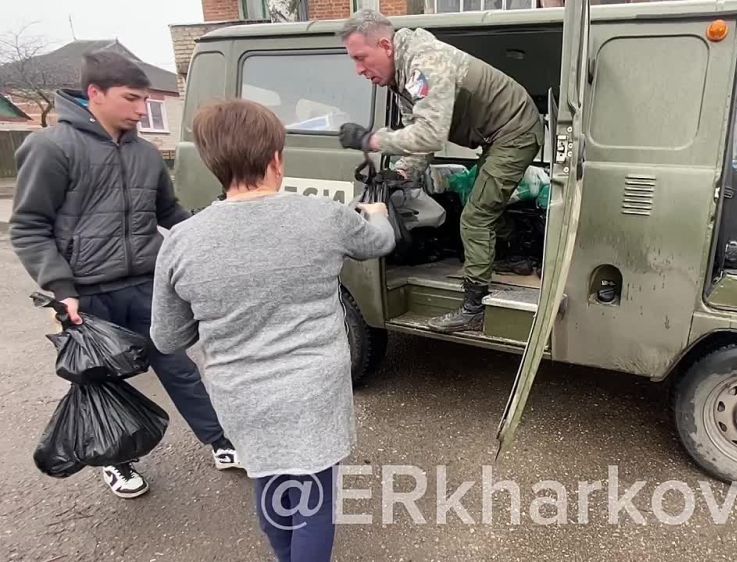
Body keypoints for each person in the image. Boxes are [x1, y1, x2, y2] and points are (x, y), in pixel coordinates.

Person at [149, 99, 395, 562]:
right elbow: (380, 242)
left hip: (241, 395)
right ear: (277, 158)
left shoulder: (182, 241)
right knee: (313, 501)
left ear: (214, 163)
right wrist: (378, 212)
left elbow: (168, 338)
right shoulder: (324, 216)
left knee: (269, 479)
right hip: (313, 390)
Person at [9, 51, 241, 499]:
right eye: (132, 99)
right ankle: (116, 460)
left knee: (178, 366)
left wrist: (210, 237)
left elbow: (168, 212)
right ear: (95, 94)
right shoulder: (51, 148)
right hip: (86, 293)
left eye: (145, 100)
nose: (141, 109)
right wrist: (60, 287)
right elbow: (29, 226)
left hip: (145, 285)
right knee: (101, 382)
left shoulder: (146, 154)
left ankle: (220, 440)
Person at [338, 8, 545, 334]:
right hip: (499, 135)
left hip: (515, 132)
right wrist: (403, 174)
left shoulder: (424, 61)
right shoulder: (403, 76)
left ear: (385, 46)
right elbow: (418, 137)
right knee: (479, 201)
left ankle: (474, 308)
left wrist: (371, 140)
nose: (359, 70)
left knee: (476, 216)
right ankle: (519, 255)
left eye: (361, 58)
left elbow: (430, 135)